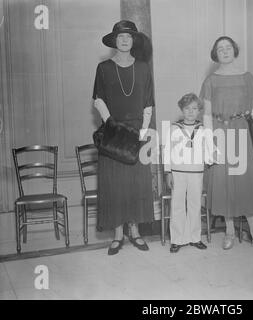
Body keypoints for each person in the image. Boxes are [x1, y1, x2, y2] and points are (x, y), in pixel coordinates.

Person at [200, 36, 253, 250]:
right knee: (224, 182)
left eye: (228, 47)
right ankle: (229, 232)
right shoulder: (210, 80)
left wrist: (244, 115)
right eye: (220, 49)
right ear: (215, 54)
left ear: (234, 50)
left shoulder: (247, 77)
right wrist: (211, 142)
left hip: (241, 131)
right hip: (219, 133)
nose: (225, 51)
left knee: (245, 181)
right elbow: (207, 115)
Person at [92, 20, 155, 255]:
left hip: (137, 133)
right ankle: (118, 235)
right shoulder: (104, 68)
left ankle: (135, 232)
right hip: (112, 134)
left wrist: (141, 132)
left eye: (129, 36)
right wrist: (112, 125)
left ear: (134, 41)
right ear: (115, 41)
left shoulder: (143, 68)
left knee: (135, 185)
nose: (125, 40)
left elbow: (148, 103)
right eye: (120, 37)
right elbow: (98, 99)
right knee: (115, 186)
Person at [164, 93, 216, 253]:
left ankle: (195, 237)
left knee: (195, 204)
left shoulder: (203, 129)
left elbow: (209, 150)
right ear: (182, 109)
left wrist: (210, 158)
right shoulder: (174, 128)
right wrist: (168, 172)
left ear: (199, 110)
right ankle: (177, 239)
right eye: (187, 108)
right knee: (177, 205)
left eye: (194, 108)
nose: (191, 112)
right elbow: (167, 151)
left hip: (196, 173)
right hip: (178, 172)